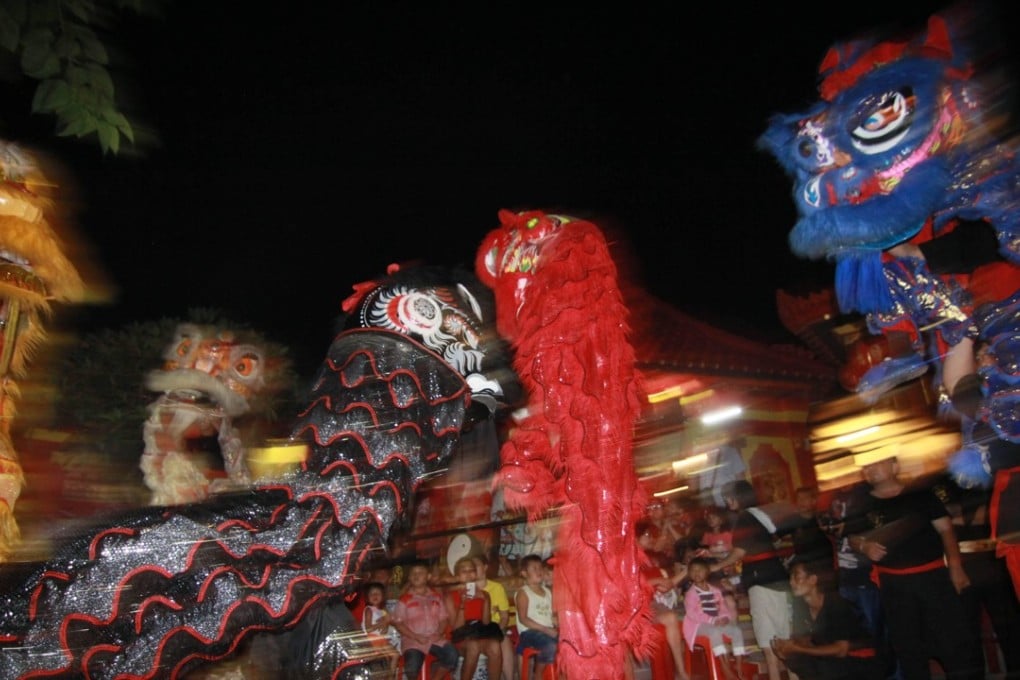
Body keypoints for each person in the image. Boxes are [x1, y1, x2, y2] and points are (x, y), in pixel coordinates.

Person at [845, 453, 984, 680]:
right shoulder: (862, 504)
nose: (871, 469)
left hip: (934, 579)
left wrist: (956, 567)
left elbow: (946, 530)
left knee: (954, 645)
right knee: (908, 648)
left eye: (877, 462)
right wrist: (864, 546)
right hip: (894, 586)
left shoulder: (919, 494)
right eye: (867, 466)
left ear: (894, 465)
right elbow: (852, 537)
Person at [710, 480, 792, 680]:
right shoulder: (758, 515)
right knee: (785, 641)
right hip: (775, 578)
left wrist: (717, 566)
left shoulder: (745, 519)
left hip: (762, 583)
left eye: (729, 497)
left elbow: (740, 552)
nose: (728, 502)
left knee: (769, 644)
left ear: (738, 498)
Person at [771, 559, 885, 680]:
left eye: (797, 578)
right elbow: (803, 639)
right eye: (790, 578)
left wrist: (797, 648)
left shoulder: (835, 603)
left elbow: (841, 649)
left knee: (822, 668)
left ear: (813, 579)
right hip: (832, 660)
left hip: (857, 659)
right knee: (795, 659)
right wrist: (787, 647)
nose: (792, 583)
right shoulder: (800, 604)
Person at [636, 520, 691, 680]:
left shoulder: (649, 561)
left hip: (651, 604)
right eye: (647, 535)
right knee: (671, 616)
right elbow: (630, 585)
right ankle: (680, 671)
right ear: (635, 538)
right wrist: (657, 582)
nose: (651, 539)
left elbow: (665, 585)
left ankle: (680, 671)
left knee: (673, 617)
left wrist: (687, 570)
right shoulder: (628, 559)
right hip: (636, 608)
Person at [391, 561, 459, 680]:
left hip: (434, 638)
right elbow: (399, 624)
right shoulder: (404, 599)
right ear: (409, 578)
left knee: (452, 655)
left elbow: (443, 618)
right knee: (412, 667)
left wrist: (439, 632)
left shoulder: (436, 597)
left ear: (428, 577)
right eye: (413, 574)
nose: (416, 576)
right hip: (413, 641)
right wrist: (415, 636)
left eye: (420, 573)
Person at [682, 557, 747, 680]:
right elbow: (692, 614)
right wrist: (712, 621)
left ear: (707, 572)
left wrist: (725, 618)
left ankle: (739, 665)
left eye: (700, 570)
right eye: (693, 571)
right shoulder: (690, 594)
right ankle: (724, 666)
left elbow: (722, 607)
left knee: (736, 631)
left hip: (716, 622)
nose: (697, 573)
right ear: (690, 574)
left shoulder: (715, 590)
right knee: (714, 632)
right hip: (698, 626)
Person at [446, 556, 503, 680]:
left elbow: (486, 622)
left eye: (471, 570)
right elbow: (456, 628)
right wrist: (462, 605)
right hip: (458, 637)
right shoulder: (450, 596)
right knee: (473, 645)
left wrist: (486, 600)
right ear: (457, 576)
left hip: (477, 634)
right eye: (463, 571)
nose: (468, 574)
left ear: (476, 573)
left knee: (495, 645)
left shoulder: (483, 594)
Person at [472, 554, 516, 680]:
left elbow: (504, 616)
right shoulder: (468, 589)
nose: (474, 568)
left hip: (494, 628)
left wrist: (498, 630)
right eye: (471, 566)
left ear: (485, 567)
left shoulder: (497, 588)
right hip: (475, 630)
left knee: (504, 641)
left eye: (477, 565)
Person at [515, 553, 558, 680]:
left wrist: (556, 620)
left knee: (568, 643)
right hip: (529, 633)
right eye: (534, 568)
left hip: (547, 631)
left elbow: (552, 614)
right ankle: (538, 674)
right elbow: (523, 619)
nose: (539, 571)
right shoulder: (524, 592)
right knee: (551, 645)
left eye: (540, 568)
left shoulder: (548, 592)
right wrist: (546, 629)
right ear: (524, 573)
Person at [360, 581, 401, 677]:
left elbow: (385, 630)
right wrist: (383, 623)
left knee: (395, 654)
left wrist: (386, 624)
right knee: (379, 658)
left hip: (381, 639)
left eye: (377, 593)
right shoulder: (369, 610)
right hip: (372, 638)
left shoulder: (382, 611)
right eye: (372, 594)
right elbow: (369, 629)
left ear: (383, 596)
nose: (375, 595)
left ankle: (390, 676)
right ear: (367, 597)